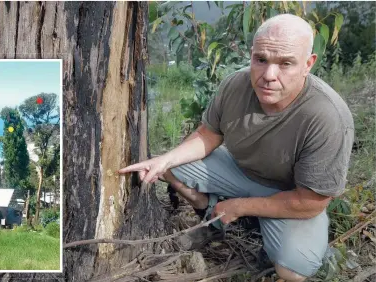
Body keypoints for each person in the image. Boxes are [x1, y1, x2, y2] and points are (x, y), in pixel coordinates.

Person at [119, 14, 354, 282]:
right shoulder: (235, 85)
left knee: (293, 269)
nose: (268, 76)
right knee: (170, 163)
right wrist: (164, 161)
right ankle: (209, 209)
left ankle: (247, 216)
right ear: (251, 54)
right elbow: (208, 134)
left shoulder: (327, 117)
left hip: (292, 194)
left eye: (286, 63)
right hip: (241, 172)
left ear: (308, 64)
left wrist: (241, 206)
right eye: (261, 59)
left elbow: (311, 202)